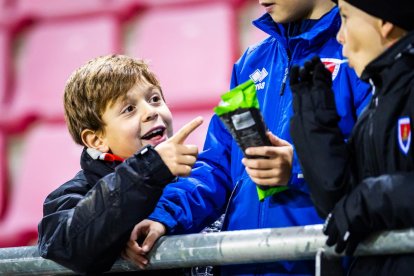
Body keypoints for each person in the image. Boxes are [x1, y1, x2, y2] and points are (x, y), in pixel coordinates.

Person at [123, 1, 371, 275]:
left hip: (323, 263)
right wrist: (165, 216)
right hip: (241, 264)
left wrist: (298, 170)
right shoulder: (251, 62)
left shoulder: (359, 52)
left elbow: (380, 162)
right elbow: (218, 167)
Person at [37, 54, 203, 274]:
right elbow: (67, 243)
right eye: (129, 109)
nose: (151, 111)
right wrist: (149, 168)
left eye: (154, 99)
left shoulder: (201, 175)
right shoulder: (73, 194)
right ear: (97, 140)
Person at [289, 0, 414, 274]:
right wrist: (314, 125)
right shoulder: (377, 105)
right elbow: (337, 208)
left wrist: (373, 197)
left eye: (346, 17)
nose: (340, 35)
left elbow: (366, 202)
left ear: (384, 22)